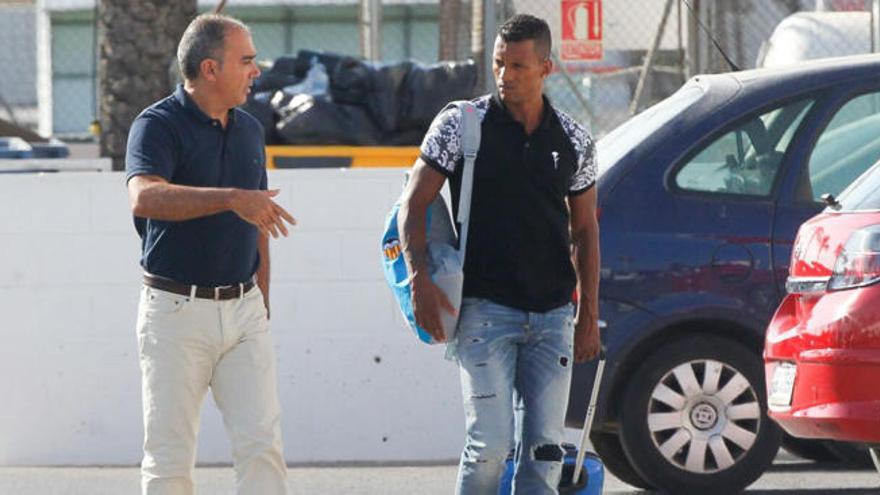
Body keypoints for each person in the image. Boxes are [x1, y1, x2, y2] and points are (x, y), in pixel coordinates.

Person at [398, 13, 601, 494]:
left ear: (546, 68)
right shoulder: (460, 127)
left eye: (518, 66)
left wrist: (588, 312)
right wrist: (418, 281)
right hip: (484, 311)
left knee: (545, 454)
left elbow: (587, 230)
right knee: (489, 446)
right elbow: (413, 205)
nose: (505, 75)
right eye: (498, 64)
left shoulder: (573, 140)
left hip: (553, 317)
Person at [125, 14, 295, 495]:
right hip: (175, 314)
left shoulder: (249, 130)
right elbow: (145, 197)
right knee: (170, 458)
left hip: (244, 313)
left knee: (263, 447)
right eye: (246, 60)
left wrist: (261, 297)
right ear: (210, 69)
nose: (256, 70)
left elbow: (258, 213)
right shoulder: (155, 125)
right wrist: (228, 197)